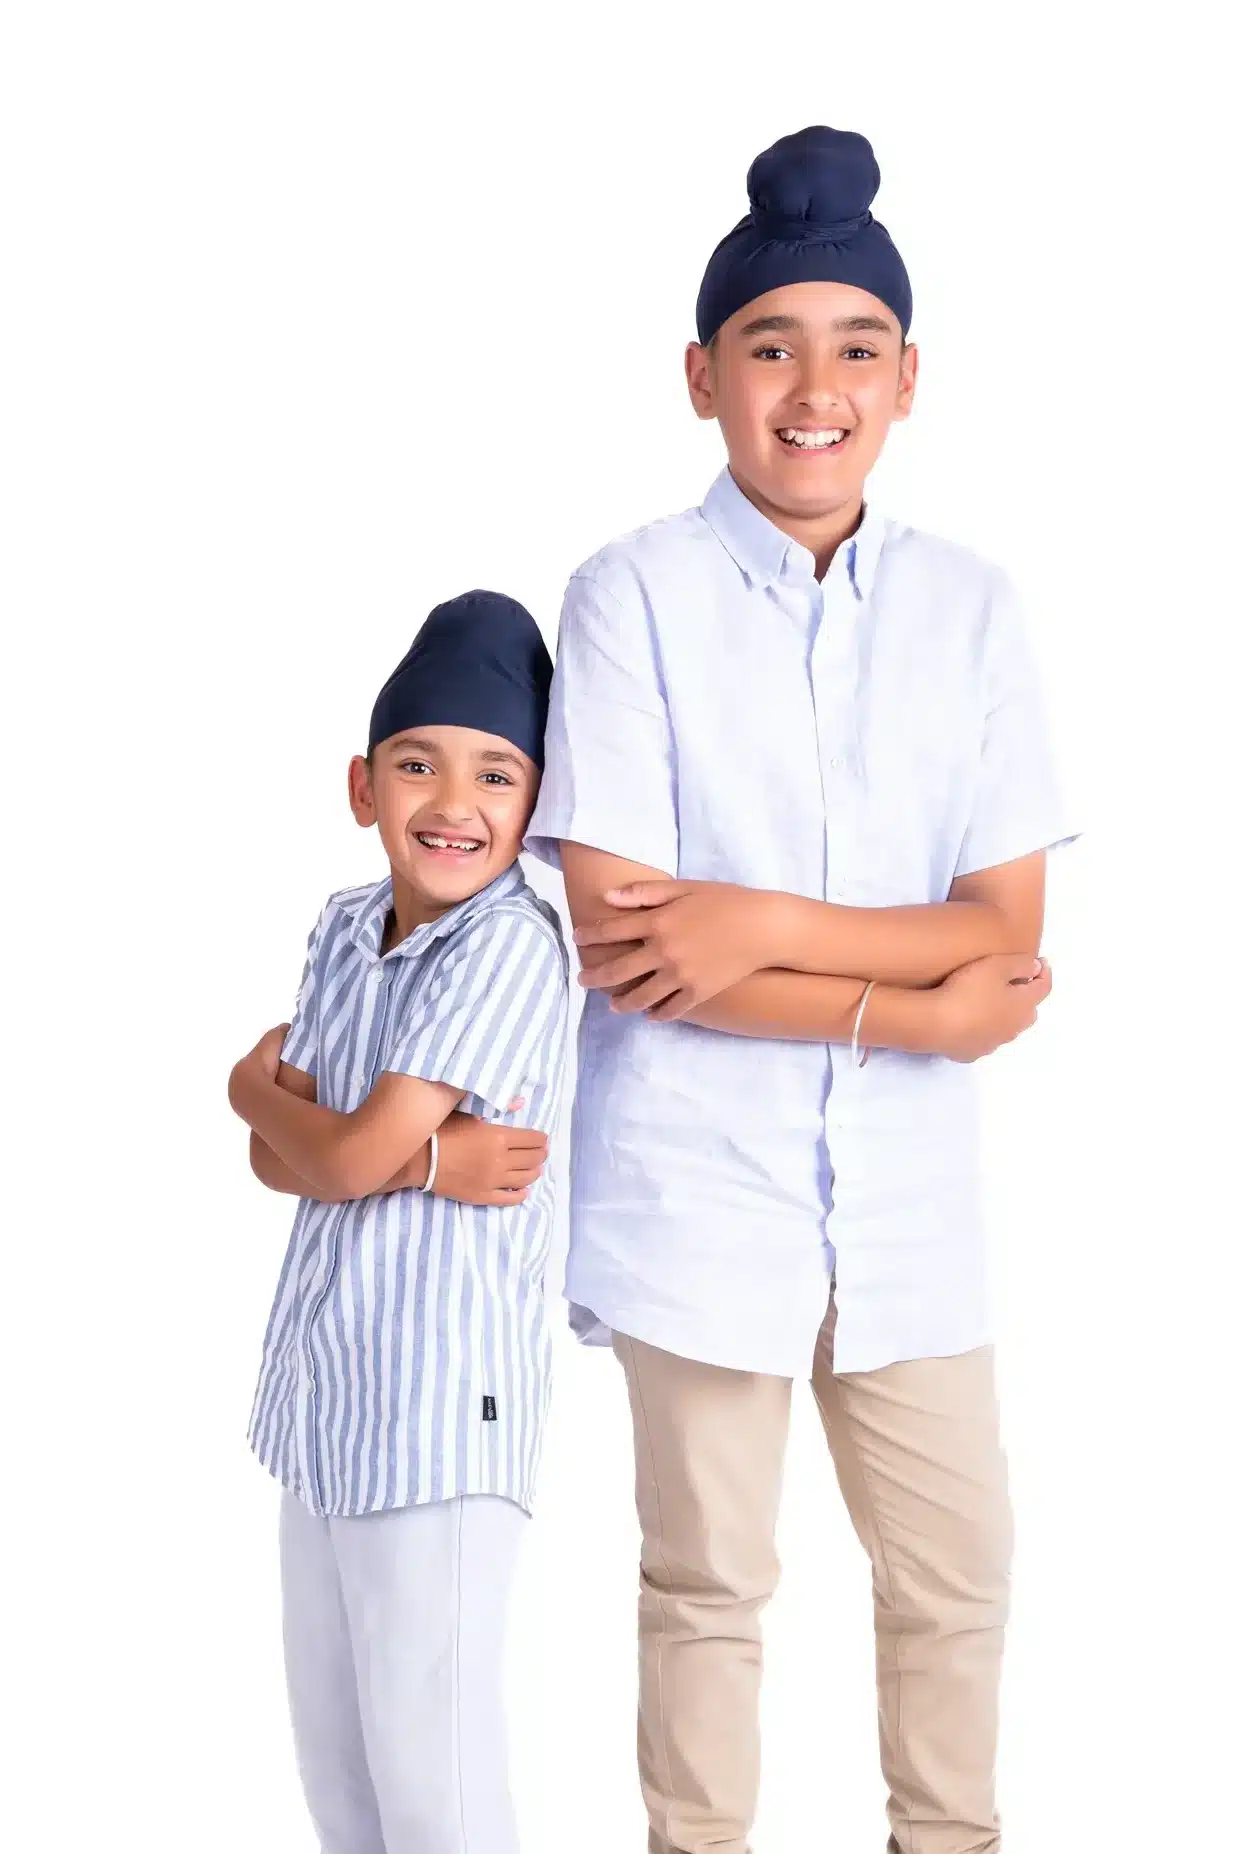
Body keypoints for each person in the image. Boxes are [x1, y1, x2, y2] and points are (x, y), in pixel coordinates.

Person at [525, 126, 1075, 1854]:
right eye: (771, 346)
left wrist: (755, 913)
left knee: (957, 1574)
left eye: (854, 347)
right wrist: (909, 1002)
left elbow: (1004, 920)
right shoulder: (631, 596)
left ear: (909, 380)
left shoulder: (972, 610)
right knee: (706, 1579)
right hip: (699, 1185)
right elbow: (629, 938)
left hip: (909, 1209)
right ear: (704, 377)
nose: (812, 386)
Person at [229, 589, 569, 1854]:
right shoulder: (338, 930)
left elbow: (343, 1146)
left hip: (435, 1411)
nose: (454, 802)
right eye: (418, 765)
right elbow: (293, 1167)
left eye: (496, 773)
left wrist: (261, 1096)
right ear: (364, 787)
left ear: (534, 813)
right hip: (322, 1399)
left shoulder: (510, 945)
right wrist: (290, 1119)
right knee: (343, 1773)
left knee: (438, 1779)